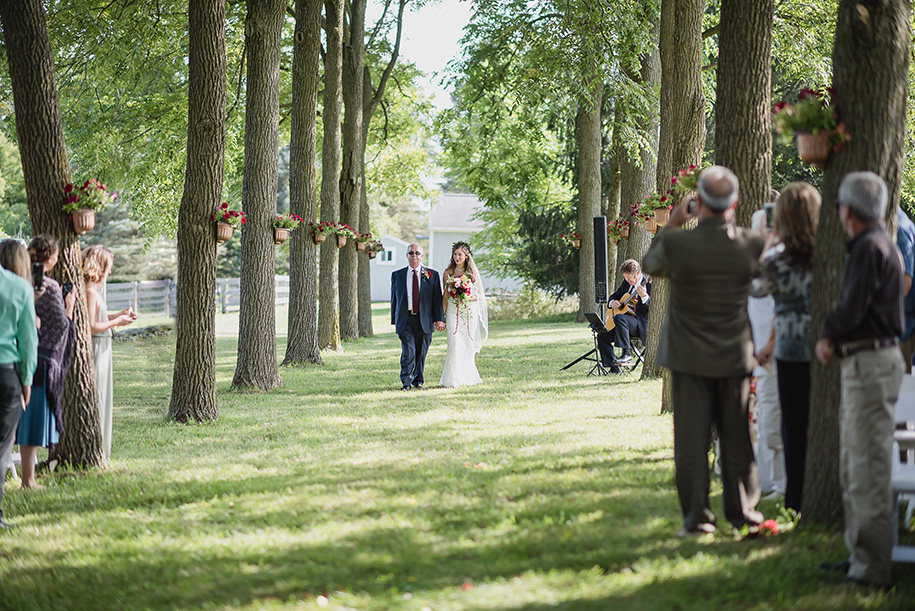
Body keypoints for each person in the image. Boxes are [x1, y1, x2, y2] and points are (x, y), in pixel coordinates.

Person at [642, 165, 764, 537]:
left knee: (691, 440)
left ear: (699, 200)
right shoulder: (749, 243)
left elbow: (649, 265)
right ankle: (743, 513)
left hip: (688, 356)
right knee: (737, 437)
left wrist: (675, 221)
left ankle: (697, 519)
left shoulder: (679, 243)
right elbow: (765, 281)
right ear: (735, 202)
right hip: (733, 354)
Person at [815, 171, 905, 588]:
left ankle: (872, 567)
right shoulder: (877, 243)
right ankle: (859, 557)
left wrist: (828, 334)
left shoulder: (870, 247)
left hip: (870, 362)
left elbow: (852, 307)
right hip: (866, 361)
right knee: (854, 462)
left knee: (866, 465)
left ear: (846, 210)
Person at [752, 184, 821, 512]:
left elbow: (757, 289)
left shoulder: (778, 261)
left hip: (791, 350)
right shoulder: (827, 253)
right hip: (823, 345)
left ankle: (796, 498)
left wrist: (769, 243)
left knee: (793, 425)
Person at [15, 236, 76, 488]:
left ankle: (26, 476)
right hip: (41, 361)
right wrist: (69, 306)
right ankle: (28, 479)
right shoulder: (48, 286)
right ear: (50, 259)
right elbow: (62, 326)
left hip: (18, 357)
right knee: (31, 420)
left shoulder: (19, 281)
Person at [747, 207, 786, 502]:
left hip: (774, 353)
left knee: (774, 418)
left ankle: (782, 484)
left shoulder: (778, 259)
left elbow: (779, 308)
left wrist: (770, 344)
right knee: (767, 418)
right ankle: (771, 480)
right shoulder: (761, 261)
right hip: (759, 355)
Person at [83, 245, 135, 461]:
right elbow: (91, 325)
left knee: (104, 395)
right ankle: (96, 447)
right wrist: (117, 321)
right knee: (98, 395)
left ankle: (102, 447)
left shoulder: (94, 290)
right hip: (97, 347)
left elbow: (99, 317)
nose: (110, 272)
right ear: (99, 266)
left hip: (104, 346)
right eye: (108, 267)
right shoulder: (89, 290)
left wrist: (118, 314)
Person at [0, 240, 37, 529]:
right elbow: (28, 341)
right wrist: (27, 381)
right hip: (6, 374)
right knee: (2, 445)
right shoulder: (19, 287)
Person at [390, 243, 445, 390]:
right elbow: (394, 298)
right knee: (409, 351)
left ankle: (418, 381)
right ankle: (406, 382)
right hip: (405, 319)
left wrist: (439, 319)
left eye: (417, 253)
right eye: (411, 253)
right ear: (407, 255)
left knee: (421, 352)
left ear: (422, 255)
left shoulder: (432, 275)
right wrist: (394, 319)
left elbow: (437, 299)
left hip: (424, 319)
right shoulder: (397, 275)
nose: (414, 256)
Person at [440, 242, 489, 388]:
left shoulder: (472, 273)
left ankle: (467, 376)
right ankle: (453, 379)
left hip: (468, 313)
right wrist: (441, 316)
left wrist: (465, 297)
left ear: (466, 256)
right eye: (455, 254)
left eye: (460, 254)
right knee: (454, 343)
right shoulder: (448, 273)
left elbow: (479, 296)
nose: (457, 257)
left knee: (467, 344)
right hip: (452, 312)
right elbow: (445, 296)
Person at [596, 259, 651, 367]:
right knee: (602, 336)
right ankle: (613, 368)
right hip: (622, 324)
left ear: (638, 273)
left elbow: (653, 309)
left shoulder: (648, 285)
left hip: (639, 324)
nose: (627, 280)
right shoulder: (626, 283)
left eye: (629, 278)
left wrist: (644, 296)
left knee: (620, 318)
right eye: (625, 278)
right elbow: (614, 296)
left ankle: (627, 354)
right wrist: (612, 303)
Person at [896, 206, 915, 371]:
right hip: (902, 323)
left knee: (903, 390)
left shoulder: (900, 228)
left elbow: (905, 283)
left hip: (905, 327)